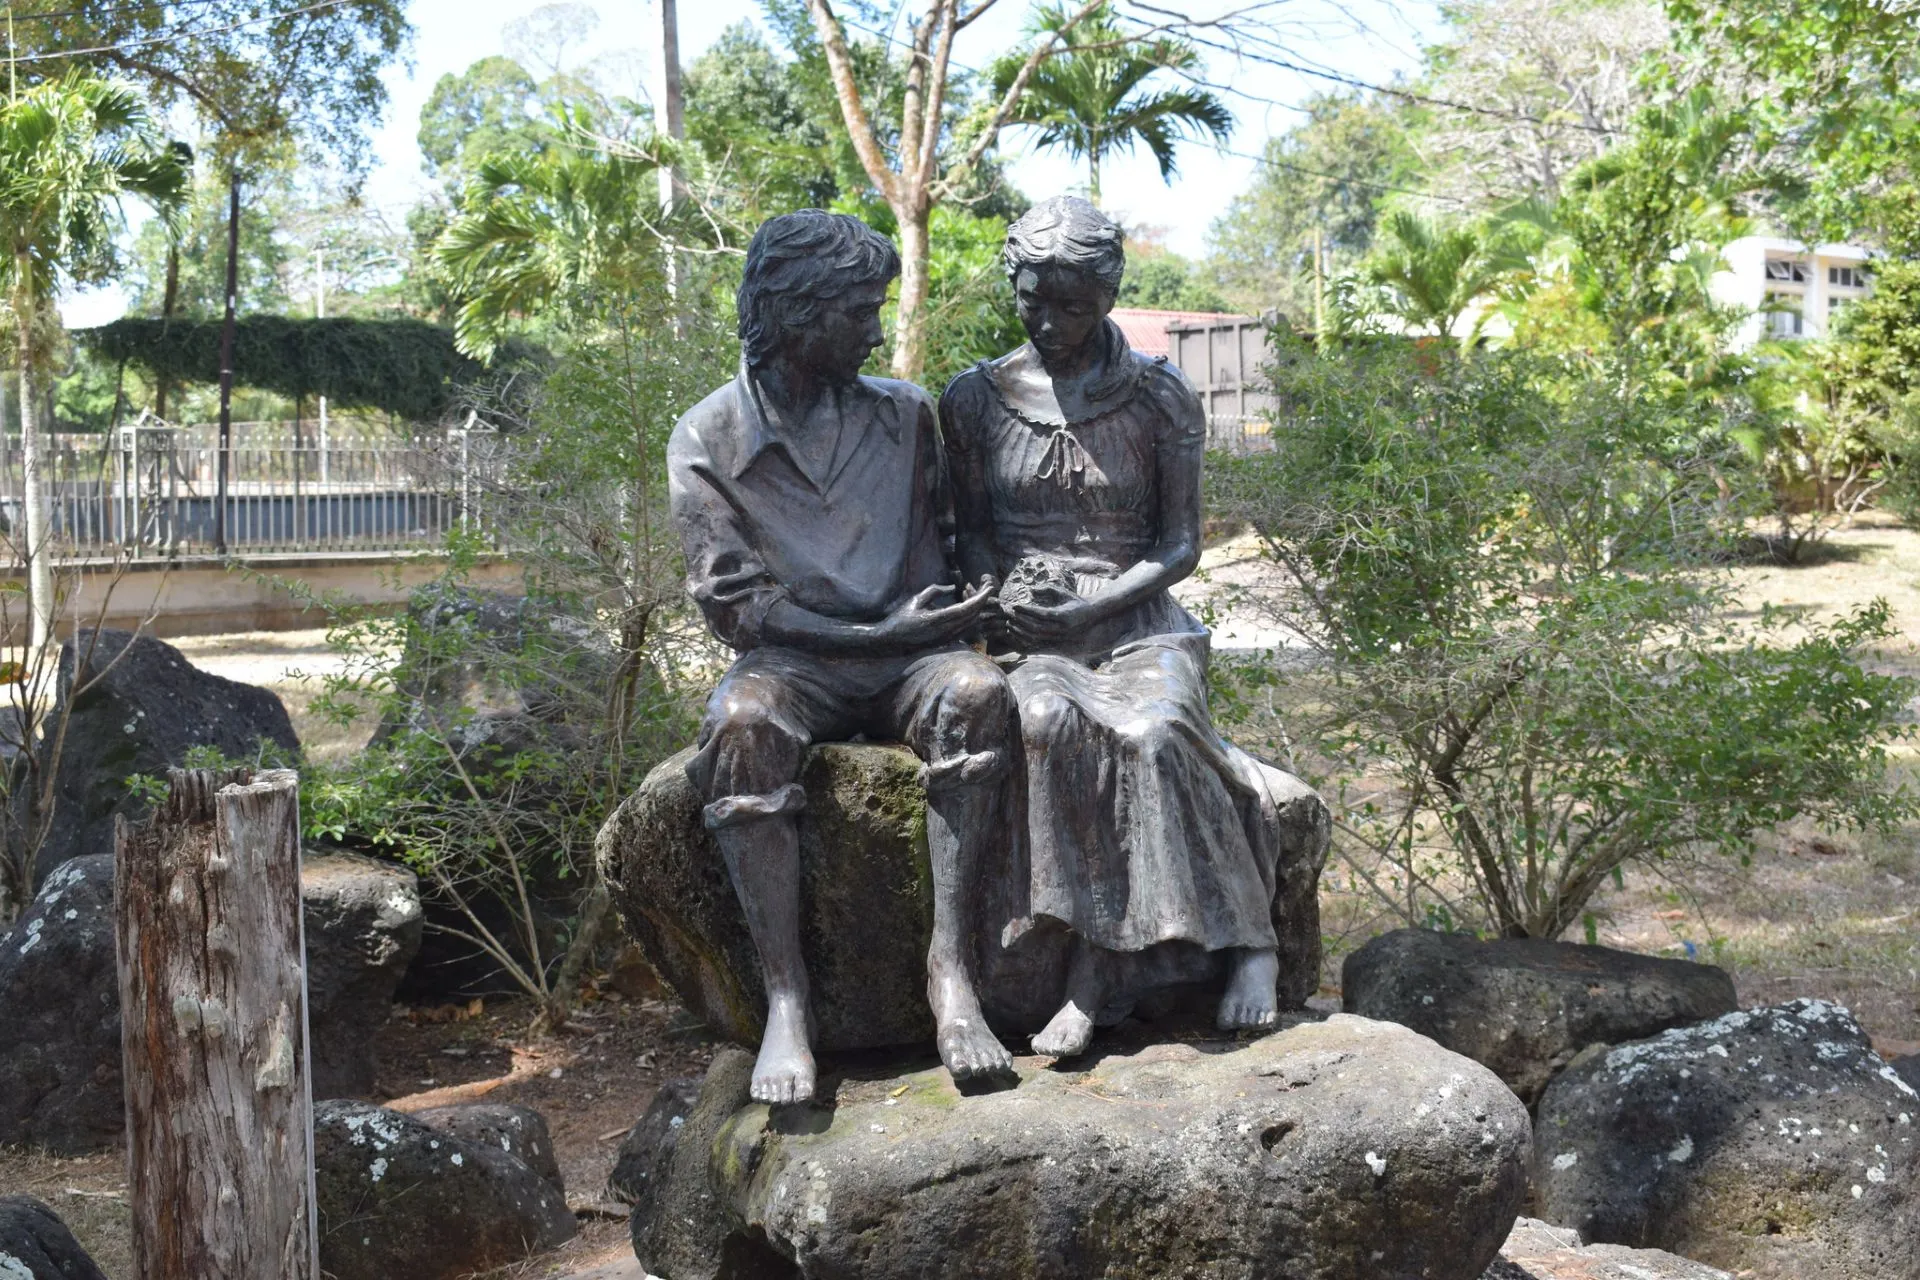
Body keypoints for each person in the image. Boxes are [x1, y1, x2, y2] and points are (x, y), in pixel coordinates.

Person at [668, 210, 1017, 1103]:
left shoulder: (904, 415)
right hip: (795, 660)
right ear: (796, 311)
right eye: (858, 310)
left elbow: (954, 535)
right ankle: (790, 999)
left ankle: (953, 978)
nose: (873, 329)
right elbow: (739, 607)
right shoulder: (709, 437)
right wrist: (872, 636)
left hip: (913, 656)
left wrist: (969, 595)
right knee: (742, 725)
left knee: (978, 695)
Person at [940, 196, 1283, 1058]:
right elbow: (970, 531)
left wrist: (1096, 605)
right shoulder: (974, 400)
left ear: (1109, 295)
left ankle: (1247, 945)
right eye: (1033, 302)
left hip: (1138, 618)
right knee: (1048, 725)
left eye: (1075, 307)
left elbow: (1179, 547)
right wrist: (997, 596)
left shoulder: (1160, 398)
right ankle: (1085, 966)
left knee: (1158, 732)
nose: (1051, 324)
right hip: (1032, 628)